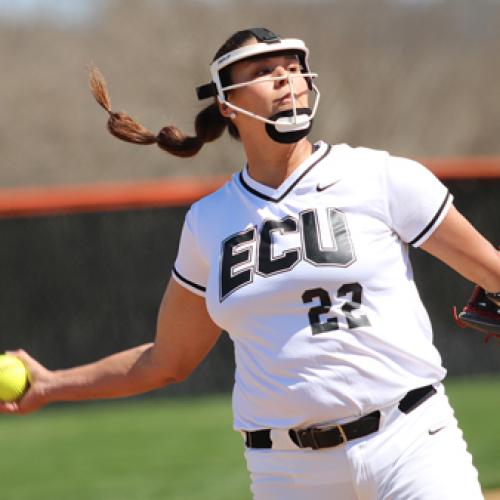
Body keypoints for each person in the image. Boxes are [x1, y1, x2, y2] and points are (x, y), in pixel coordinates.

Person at [1, 27, 499, 500]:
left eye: (293, 66)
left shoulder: (381, 177)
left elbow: (492, 271)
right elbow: (167, 361)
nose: (285, 76)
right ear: (226, 102)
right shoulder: (210, 222)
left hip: (410, 441)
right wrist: (51, 384)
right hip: (288, 470)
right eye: (263, 70)